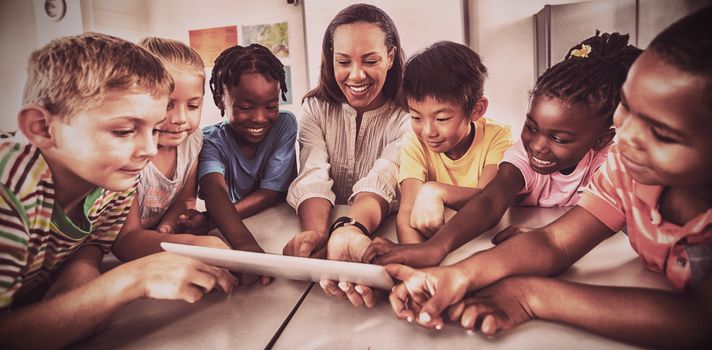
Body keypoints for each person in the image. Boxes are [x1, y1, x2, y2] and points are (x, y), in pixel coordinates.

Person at [384, 7, 712, 348]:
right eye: (626, 108)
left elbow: (701, 321)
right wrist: (458, 274)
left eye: (661, 134)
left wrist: (530, 295)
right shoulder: (625, 171)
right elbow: (555, 242)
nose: (627, 136)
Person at [0, 32, 235, 348]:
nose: (150, 149)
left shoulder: (113, 183)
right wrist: (134, 278)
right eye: (125, 131)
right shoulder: (9, 186)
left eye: (153, 129)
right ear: (43, 128)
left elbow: (94, 240)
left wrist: (83, 267)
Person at [368, 32, 641, 268]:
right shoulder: (522, 155)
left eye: (558, 139)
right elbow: (489, 201)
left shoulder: (610, 164)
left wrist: (541, 234)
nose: (537, 145)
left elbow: (612, 220)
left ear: (602, 139)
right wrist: (432, 249)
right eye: (531, 127)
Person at [282, 3, 410, 307]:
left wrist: (349, 229)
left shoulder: (408, 115)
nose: (356, 75)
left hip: (373, 231)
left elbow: (385, 176)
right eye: (344, 61)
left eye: (370, 60)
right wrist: (314, 233)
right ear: (331, 60)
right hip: (328, 235)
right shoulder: (315, 107)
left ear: (390, 57)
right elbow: (313, 172)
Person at [380, 41, 511, 246]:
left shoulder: (498, 137)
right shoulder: (415, 143)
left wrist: (436, 191)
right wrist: (415, 259)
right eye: (416, 118)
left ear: (476, 110)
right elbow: (407, 213)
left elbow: (489, 200)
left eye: (441, 119)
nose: (428, 131)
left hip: (487, 245)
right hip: (439, 250)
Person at [111, 37, 228, 261]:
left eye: (193, 106)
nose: (180, 119)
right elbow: (125, 241)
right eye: (167, 105)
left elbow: (184, 201)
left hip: (157, 245)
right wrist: (197, 246)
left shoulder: (192, 140)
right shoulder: (129, 155)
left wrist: (169, 224)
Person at [198, 43, 297, 284]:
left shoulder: (284, 125)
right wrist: (244, 246)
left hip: (281, 225)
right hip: (239, 228)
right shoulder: (210, 140)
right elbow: (214, 191)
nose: (260, 118)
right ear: (221, 100)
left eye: (271, 106)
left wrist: (211, 220)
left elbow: (271, 193)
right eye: (245, 107)